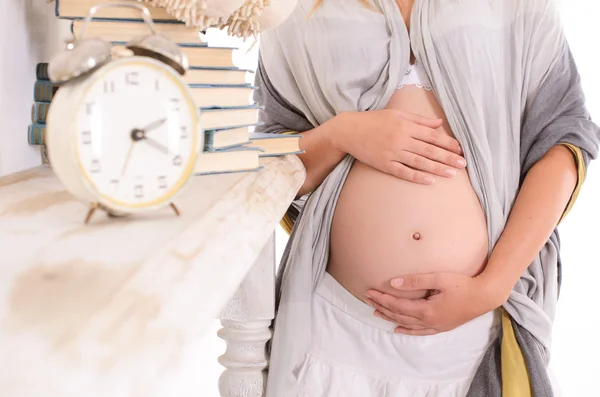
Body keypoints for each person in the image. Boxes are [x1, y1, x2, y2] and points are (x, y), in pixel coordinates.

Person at [253, 0, 600, 396]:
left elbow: (563, 141)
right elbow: (268, 162)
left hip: (472, 337)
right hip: (333, 331)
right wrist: (341, 133)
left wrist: (492, 286)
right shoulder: (290, 11)